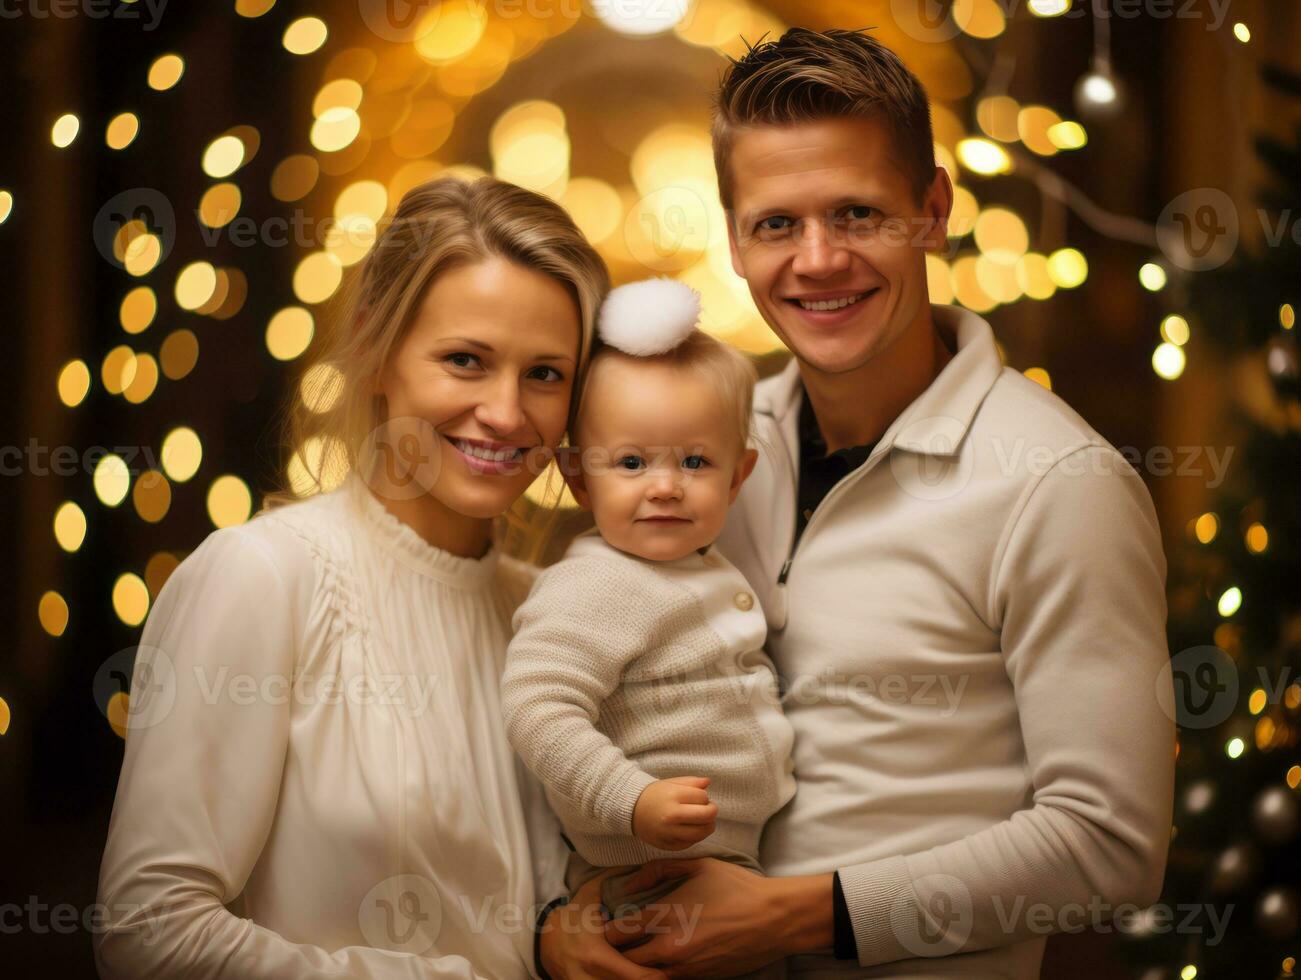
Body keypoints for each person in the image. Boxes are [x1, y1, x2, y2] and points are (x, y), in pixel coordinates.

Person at [540, 28, 1174, 979]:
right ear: (733, 240)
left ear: (931, 210)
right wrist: (560, 921)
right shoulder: (700, 454)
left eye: (857, 214)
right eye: (776, 224)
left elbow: (1113, 847)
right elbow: (583, 698)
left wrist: (794, 917)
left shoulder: (1057, 485)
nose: (819, 260)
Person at [94, 176, 619, 979]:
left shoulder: (548, 611)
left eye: (545, 374)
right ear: (377, 346)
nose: (508, 414)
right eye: (465, 360)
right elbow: (147, 935)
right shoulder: (263, 576)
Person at [501, 278, 794, 961]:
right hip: (638, 885)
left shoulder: (700, 566)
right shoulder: (596, 582)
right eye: (630, 462)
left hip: (726, 878)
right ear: (578, 479)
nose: (664, 486)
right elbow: (536, 706)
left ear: (737, 475)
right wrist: (630, 799)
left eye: (694, 461)